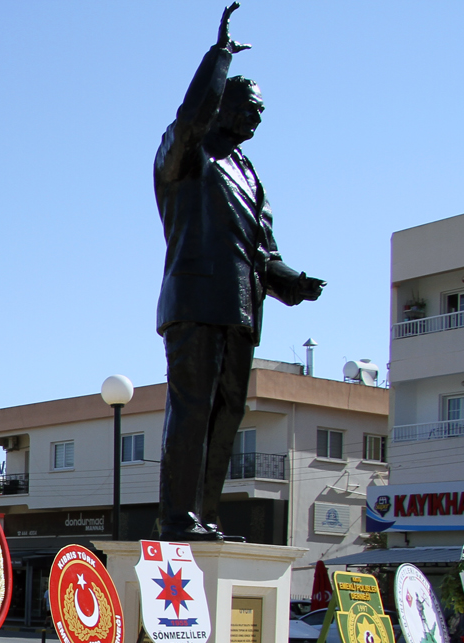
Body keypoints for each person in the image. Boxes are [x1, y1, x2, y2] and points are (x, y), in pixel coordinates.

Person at [154, 4, 324, 540]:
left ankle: (204, 515)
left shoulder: (250, 174)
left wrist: (291, 282)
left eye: (261, 111)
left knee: (225, 418)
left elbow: (262, 252)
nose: (256, 118)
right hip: (196, 303)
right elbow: (190, 117)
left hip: (242, 312)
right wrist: (219, 57)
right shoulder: (187, 154)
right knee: (193, 410)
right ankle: (178, 518)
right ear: (222, 103)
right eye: (249, 107)